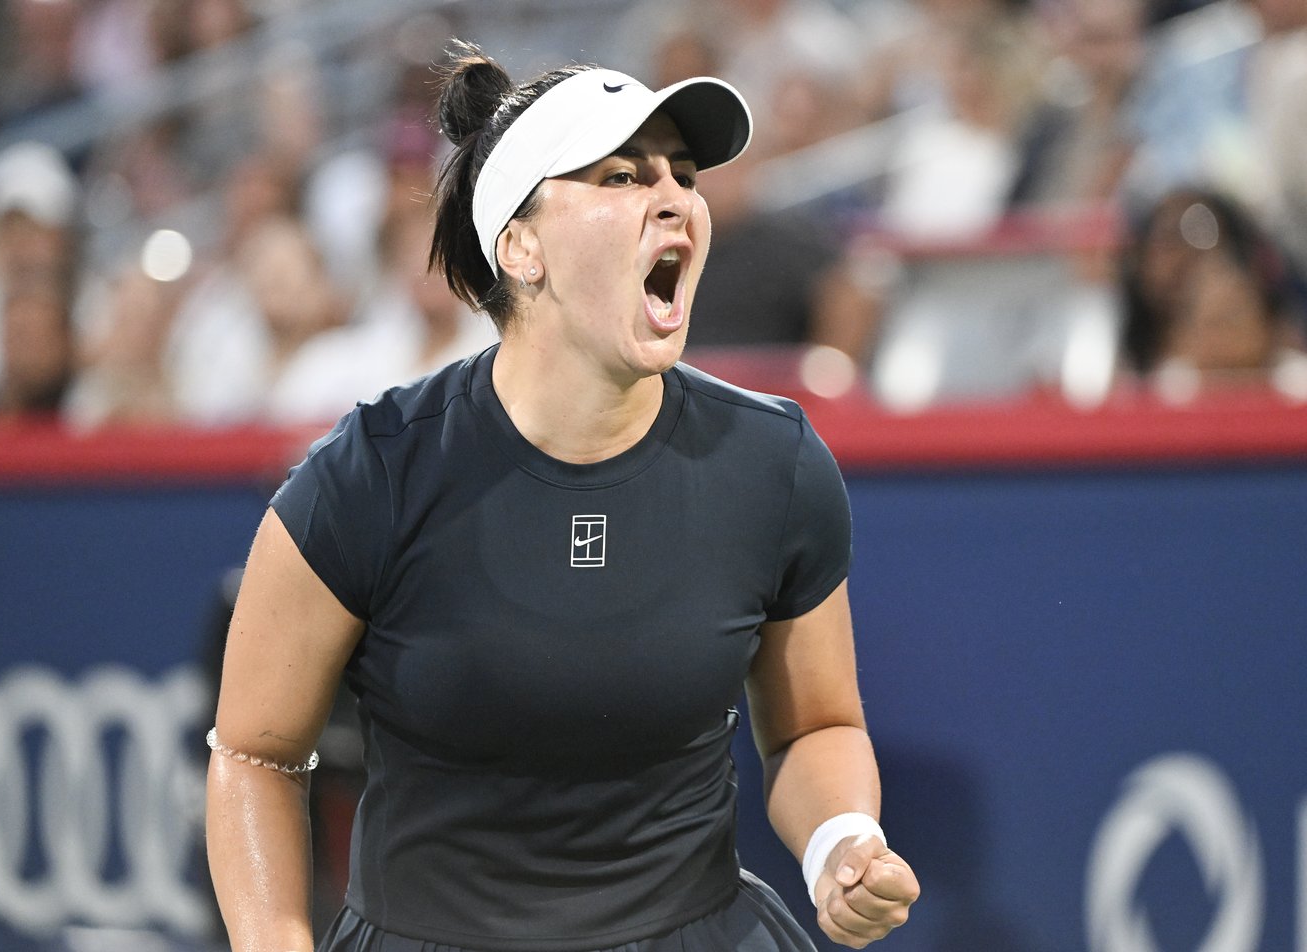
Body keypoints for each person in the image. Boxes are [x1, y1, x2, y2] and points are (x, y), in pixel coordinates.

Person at [205, 39, 920, 952]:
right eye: (622, 177)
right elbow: (255, 753)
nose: (675, 198)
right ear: (521, 246)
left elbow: (814, 726)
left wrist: (841, 843)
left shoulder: (773, 463)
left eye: (683, 175)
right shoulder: (370, 472)